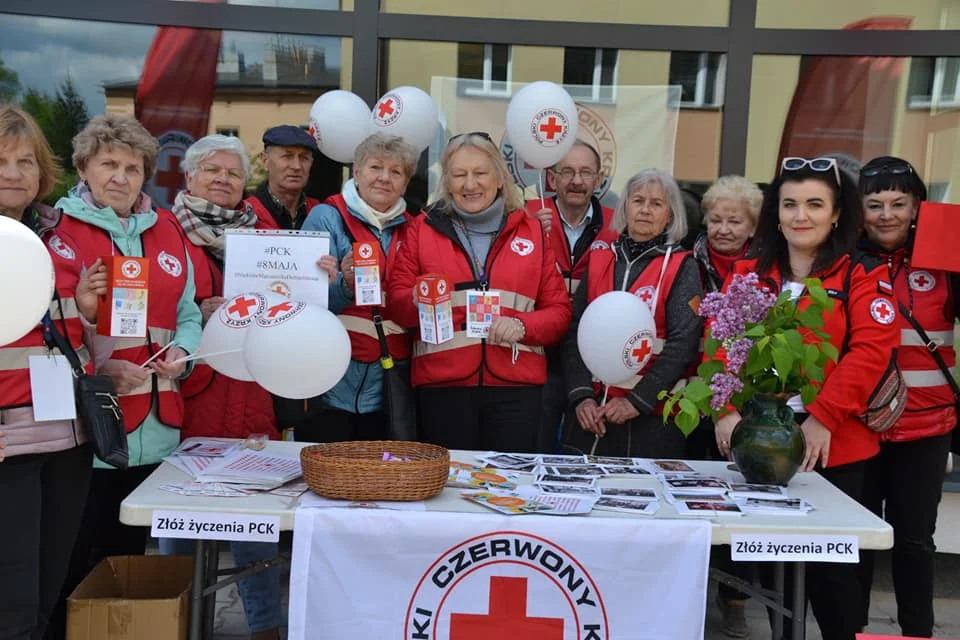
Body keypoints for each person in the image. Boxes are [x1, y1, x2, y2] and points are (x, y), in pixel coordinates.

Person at [714, 157, 899, 640]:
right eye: (790, 204)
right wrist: (725, 409)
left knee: (832, 575)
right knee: (778, 572)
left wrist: (823, 417)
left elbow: (870, 352)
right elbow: (719, 347)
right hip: (762, 445)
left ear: (837, 214)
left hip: (835, 447)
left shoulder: (861, 273)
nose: (801, 215)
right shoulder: (749, 272)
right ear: (775, 213)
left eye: (815, 204)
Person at [50, 114, 202, 635]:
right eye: (108, 164)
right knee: (73, 562)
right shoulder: (59, 230)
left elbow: (189, 312)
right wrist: (94, 350)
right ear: (83, 168)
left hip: (156, 426)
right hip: (89, 428)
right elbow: (46, 325)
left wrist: (183, 351)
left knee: (126, 562)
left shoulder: (168, 229)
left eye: (133, 168)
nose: (121, 176)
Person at [166, 134, 289, 640]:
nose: (223, 180)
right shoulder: (165, 233)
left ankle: (264, 627)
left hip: (251, 397)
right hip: (190, 401)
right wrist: (203, 310)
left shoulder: (266, 237)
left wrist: (317, 279)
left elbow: (293, 308)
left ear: (245, 183)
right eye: (211, 170)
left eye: (233, 173)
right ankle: (171, 621)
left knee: (255, 528)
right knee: (178, 525)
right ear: (189, 178)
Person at [387, 132, 570, 452]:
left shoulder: (532, 232)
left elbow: (559, 312)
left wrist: (523, 326)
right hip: (443, 388)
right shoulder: (422, 228)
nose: (470, 184)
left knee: (509, 488)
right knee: (449, 488)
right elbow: (397, 304)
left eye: (480, 173)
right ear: (447, 181)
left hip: (517, 391)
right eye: (459, 175)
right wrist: (414, 301)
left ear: (500, 177)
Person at [0, 105, 107, 640]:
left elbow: (55, 335)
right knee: (12, 605)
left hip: (66, 435)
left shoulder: (56, 236)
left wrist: (83, 311)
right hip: (8, 443)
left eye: (26, 161)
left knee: (48, 595)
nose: (14, 173)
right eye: (1, 161)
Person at [855, 155, 957, 638]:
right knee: (854, 541)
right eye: (875, 204)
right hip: (858, 427)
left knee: (915, 542)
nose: (887, 214)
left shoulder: (945, 262)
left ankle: (918, 633)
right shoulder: (844, 261)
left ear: (918, 207)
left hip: (927, 427)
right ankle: (847, 631)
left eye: (899, 203)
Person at [563, 168, 703, 458]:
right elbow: (574, 331)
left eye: (657, 204)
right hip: (591, 416)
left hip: (651, 420)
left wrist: (636, 402)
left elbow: (683, 345)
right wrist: (581, 397)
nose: (646, 210)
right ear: (625, 207)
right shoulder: (601, 258)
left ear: (671, 214)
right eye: (638, 201)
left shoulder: (683, 267)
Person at [300, 133, 418, 442]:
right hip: (332, 382)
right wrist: (345, 286)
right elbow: (303, 301)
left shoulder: (415, 227)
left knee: (381, 478)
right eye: (375, 167)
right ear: (356, 172)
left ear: (406, 183)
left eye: (396, 171)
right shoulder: (326, 217)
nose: (384, 178)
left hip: (391, 384)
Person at [686, 174, 763, 639]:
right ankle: (692, 590)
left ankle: (735, 599)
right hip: (690, 394)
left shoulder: (764, 269)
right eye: (715, 219)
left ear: (753, 226)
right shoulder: (686, 261)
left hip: (741, 397)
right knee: (693, 496)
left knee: (740, 501)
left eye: (735, 220)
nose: (724, 228)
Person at [525, 140, 616, 453]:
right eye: (567, 172)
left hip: (591, 361)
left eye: (585, 172)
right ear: (552, 179)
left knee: (580, 456)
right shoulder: (527, 217)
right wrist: (526, 232)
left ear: (600, 179)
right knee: (534, 448)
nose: (577, 180)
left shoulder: (619, 226)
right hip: (535, 355)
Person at [245, 124, 321, 231]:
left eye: (304, 158)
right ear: (265, 160)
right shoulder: (246, 214)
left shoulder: (320, 213)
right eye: (287, 157)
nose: (297, 166)